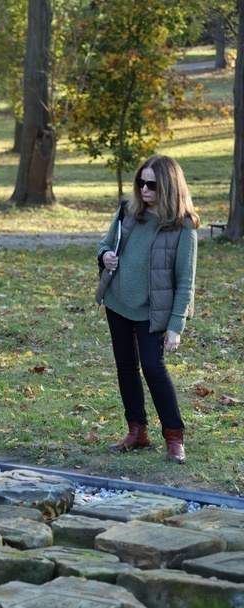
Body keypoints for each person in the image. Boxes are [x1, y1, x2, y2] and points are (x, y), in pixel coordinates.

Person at [96, 154, 199, 463]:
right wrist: (105, 257)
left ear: (168, 186)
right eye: (140, 182)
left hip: (153, 312)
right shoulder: (128, 212)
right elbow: (104, 244)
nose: (144, 189)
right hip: (117, 302)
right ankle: (136, 431)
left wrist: (175, 326)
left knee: (154, 368)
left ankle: (174, 436)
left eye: (151, 184)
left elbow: (185, 283)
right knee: (126, 367)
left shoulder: (183, 228)